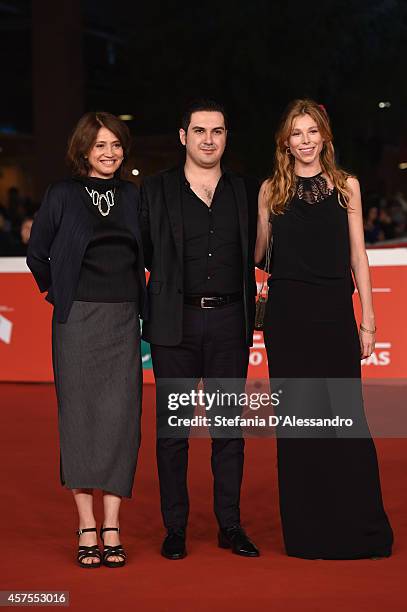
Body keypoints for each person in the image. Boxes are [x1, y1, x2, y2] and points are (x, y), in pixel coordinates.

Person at [255, 98, 393, 560]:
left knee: (346, 421)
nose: (306, 140)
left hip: (335, 314)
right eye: (297, 133)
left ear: (325, 136)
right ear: (286, 142)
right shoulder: (271, 190)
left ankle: (361, 531)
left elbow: (359, 256)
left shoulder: (346, 186)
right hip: (288, 318)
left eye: (312, 131)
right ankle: (309, 534)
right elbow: (259, 254)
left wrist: (368, 321)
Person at [27, 112, 147, 568]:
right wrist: (58, 293)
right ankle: (86, 525)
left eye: (116, 145)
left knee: (121, 420)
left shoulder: (133, 196)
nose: (109, 153)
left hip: (123, 320)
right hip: (76, 321)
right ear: (83, 150)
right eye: (100, 145)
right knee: (78, 419)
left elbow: (149, 251)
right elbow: (38, 253)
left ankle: (113, 524)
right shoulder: (62, 194)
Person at [140, 99, 260, 559]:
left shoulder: (246, 191)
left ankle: (230, 525)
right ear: (182, 136)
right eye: (200, 131)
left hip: (231, 322)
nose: (209, 139)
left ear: (226, 137)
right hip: (175, 323)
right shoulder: (154, 191)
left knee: (229, 430)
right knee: (173, 432)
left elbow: (264, 249)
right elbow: (142, 253)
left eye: (218, 131)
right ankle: (176, 528)